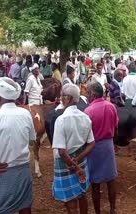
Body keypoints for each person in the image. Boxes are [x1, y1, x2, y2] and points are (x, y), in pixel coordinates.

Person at [52, 84, 95, 214]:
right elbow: (91, 143)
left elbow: (62, 151)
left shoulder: (61, 120)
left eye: (62, 96)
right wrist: (78, 160)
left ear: (69, 98)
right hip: (80, 160)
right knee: (82, 194)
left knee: (70, 201)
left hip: (66, 163)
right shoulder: (85, 117)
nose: (60, 99)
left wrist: (75, 166)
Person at [0, 77, 36, 214]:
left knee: (3, 208)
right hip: (23, 169)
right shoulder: (25, 114)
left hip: (3, 171)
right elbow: (32, 139)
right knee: (25, 206)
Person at [85, 82, 118, 214]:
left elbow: (86, 134)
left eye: (88, 92)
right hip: (108, 145)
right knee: (111, 179)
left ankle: (98, 211)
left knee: (95, 183)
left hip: (94, 148)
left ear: (93, 94)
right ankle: (112, 209)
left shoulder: (88, 111)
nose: (86, 95)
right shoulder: (111, 107)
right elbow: (115, 126)